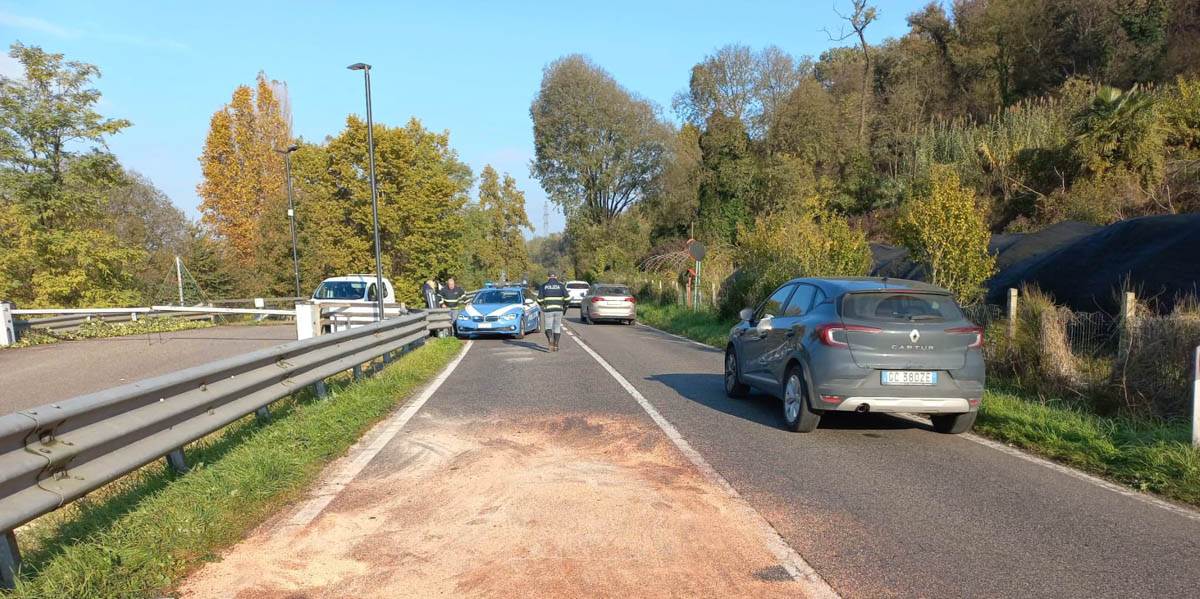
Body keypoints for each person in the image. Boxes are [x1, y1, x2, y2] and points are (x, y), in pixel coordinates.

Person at [537, 273, 569, 351]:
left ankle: (550, 340)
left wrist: (543, 305)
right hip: (559, 309)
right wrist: (564, 306)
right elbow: (568, 298)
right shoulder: (561, 286)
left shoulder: (543, 286)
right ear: (556, 277)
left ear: (548, 277)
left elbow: (539, 300)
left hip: (548, 310)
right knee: (557, 327)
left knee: (548, 327)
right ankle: (556, 345)